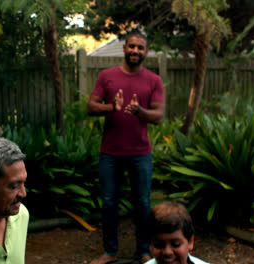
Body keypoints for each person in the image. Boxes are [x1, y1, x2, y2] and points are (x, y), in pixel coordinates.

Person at [87, 31, 165, 264]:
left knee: (142, 203)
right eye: (131, 46)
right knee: (109, 202)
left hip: (140, 154)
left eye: (140, 48)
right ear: (124, 48)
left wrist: (140, 111)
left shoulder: (153, 80)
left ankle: (143, 251)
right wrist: (112, 107)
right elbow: (91, 106)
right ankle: (110, 251)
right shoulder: (107, 76)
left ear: (146, 52)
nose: (135, 51)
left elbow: (159, 115)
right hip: (110, 153)